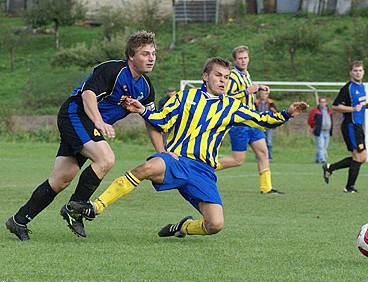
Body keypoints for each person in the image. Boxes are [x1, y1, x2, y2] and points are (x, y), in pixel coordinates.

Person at [65, 57, 308, 238]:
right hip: (178, 160)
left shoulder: (232, 107)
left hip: (203, 171)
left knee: (215, 225)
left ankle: (182, 227)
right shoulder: (185, 97)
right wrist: (143, 110)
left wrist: (287, 113)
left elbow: (262, 121)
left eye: (226, 77)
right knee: (147, 167)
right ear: (206, 76)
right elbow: (162, 119)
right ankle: (95, 207)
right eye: (218, 76)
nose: (223, 81)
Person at [5, 31, 164, 241]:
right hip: (75, 114)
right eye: (145, 54)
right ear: (131, 57)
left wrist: (162, 152)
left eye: (153, 53)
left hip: (89, 125)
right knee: (106, 159)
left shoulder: (146, 88)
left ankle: (18, 221)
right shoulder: (112, 70)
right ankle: (75, 207)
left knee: (61, 179)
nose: (151, 58)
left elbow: (151, 119)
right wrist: (99, 121)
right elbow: (88, 94)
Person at [218, 45, 283, 195]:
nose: (243, 61)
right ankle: (206, 166)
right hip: (239, 123)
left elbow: (250, 90)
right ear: (235, 60)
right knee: (238, 160)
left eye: (245, 58)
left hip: (252, 121)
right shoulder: (232, 76)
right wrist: (245, 92)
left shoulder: (246, 74)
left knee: (263, 153)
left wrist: (259, 87)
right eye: (240, 58)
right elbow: (224, 98)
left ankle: (266, 188)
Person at [322, 61, 368, 193]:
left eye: (360, 70)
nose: (358, 73)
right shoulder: (348, 88)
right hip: (350, 125)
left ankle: (330, 168)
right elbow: (335, 106)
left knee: (362, 157)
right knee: (359, 156)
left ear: (363, 72)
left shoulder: (363, 87)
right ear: (351, 72)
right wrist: (352, 108)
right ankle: (349, 187)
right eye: (355, 70)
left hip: (358, 125)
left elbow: (360, 104)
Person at [308, 97, 333, 164]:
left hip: (327, 131)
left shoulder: (329, 111)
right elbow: (310, 119)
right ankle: (322, 159)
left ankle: (317, 158)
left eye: (324, 102)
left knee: (324, 147)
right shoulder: (315, 111)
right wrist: (313, 127)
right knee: (320, 146)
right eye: (321, 102)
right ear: (319, 103)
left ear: (326, 103)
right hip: (319, 131)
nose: (323, 103)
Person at [255, 89, 278, 160]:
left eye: (265, 94)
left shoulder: (271, 103)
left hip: (268, 125)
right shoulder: (256, 102)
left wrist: (274, 112)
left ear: (267, 95)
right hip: (259, 125)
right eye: (262, 94)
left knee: (269, 142)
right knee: (258, 142)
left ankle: (269, 157)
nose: (263, 95)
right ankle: (259, 156)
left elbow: (277, 113)